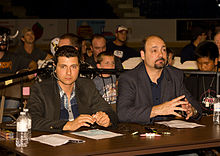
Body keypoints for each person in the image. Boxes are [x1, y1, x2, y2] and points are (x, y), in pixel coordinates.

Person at [27, 46, 117, 132]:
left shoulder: (87, 85)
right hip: (52, 143)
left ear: (79, 67)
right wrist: (68, 125)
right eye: (63, 67)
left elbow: (110, 112)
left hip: (84, 143)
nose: (69, 72)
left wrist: (106, 119)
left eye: (73, 67)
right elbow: (31, 120)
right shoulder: (41, 89)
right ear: (54, 68)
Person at [117, 35, 202, 124]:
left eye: (163, 50)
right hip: (138, 133)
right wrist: (156, 110)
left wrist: (192, 111)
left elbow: (197, 108)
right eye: (154, 50)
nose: (161, 54)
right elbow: (123, 113)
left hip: (168, 134)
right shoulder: (129, 79)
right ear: (143, 55)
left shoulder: (175, 75)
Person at [0, 26, 37, 121]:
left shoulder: (14, 57)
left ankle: (5, 129)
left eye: (4, 37)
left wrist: (31, 72)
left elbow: (32, 63)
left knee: (13, 102)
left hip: (10, 94)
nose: (3, 40)